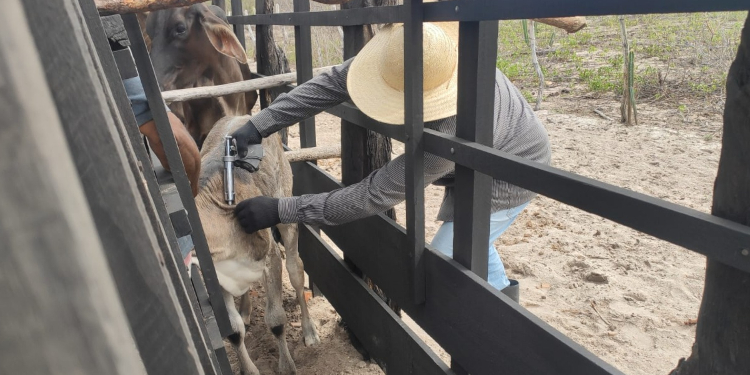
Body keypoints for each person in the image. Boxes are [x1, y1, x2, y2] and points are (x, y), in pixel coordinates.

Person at [231, 21, 551, 301]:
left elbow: (374, 194)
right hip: (480, 151)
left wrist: (280, 209)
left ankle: (503, 332)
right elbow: (328, 85)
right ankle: (501, 305)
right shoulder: (408, 52)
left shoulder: (452, 128)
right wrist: (259, 125)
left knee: (448, 257)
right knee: (472, 245)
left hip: (512, 167)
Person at [102, 15, 201, 265]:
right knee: (178, 235)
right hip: (120, 228)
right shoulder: (109, 53)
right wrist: (193, 192)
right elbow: (178, 142)